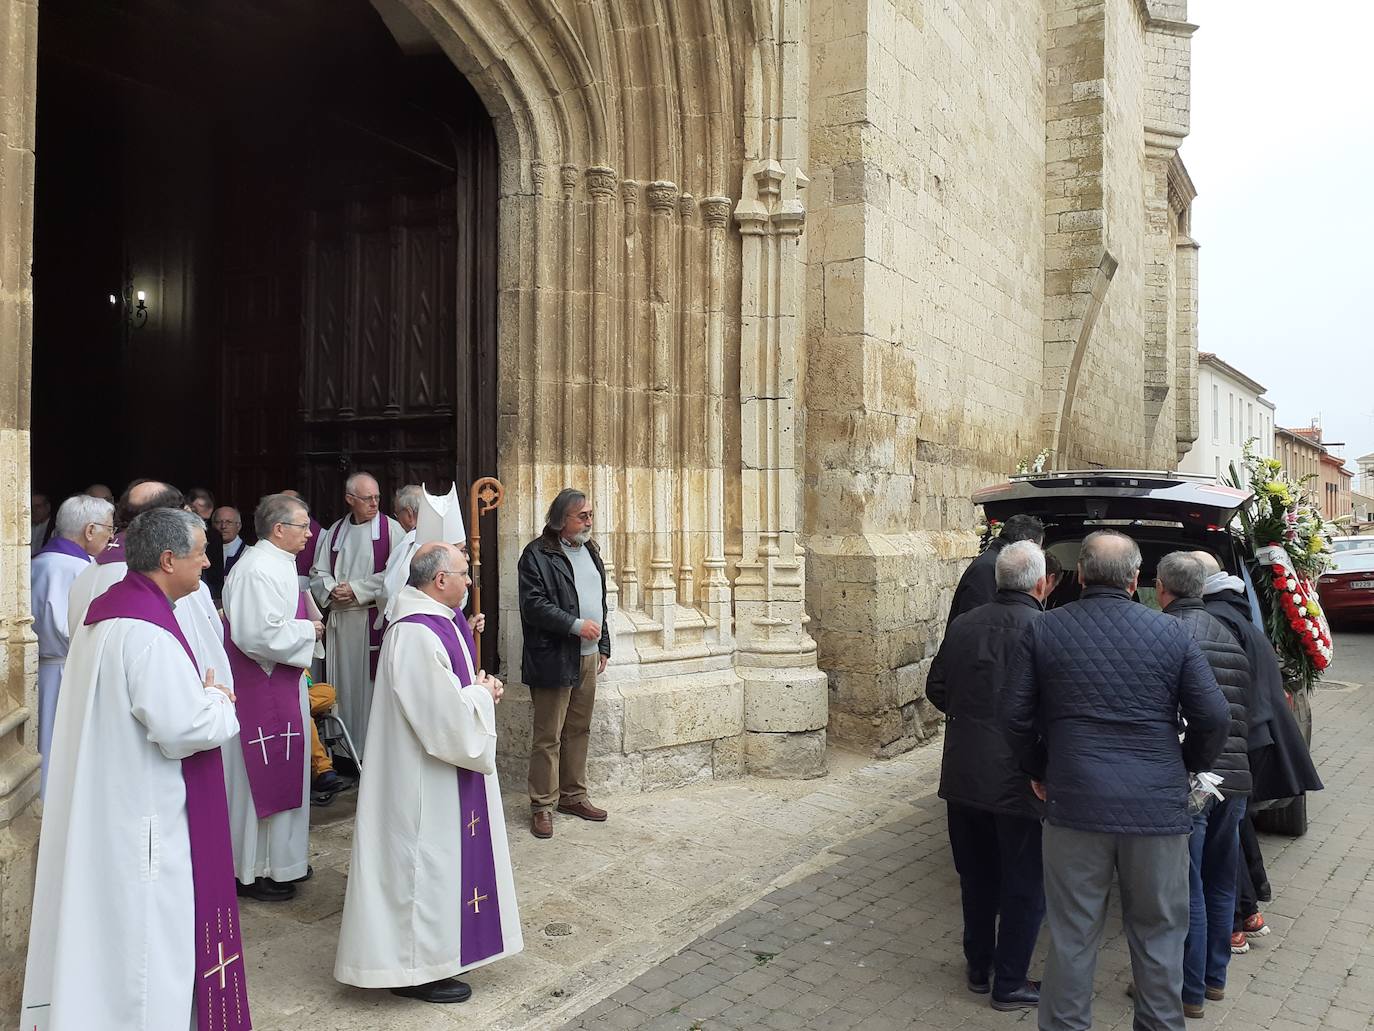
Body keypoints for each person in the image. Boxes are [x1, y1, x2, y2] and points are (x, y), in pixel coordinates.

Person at [21, 508, 250, 1031]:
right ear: (168, 560)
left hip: (111, 802)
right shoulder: (149, 633)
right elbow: (182, 728)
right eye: (199, 554)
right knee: (148, 944)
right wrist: (217, 700)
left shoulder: (107, 614)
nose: (207, 562)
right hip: (146, 814)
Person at [1002, 529, 1229, 1031]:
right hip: (1156, 807)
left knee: (1072, 931)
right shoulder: (1172, 633)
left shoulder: (1043, 630)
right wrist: (1185, 765)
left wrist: (1038, 769)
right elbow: (1214, 716)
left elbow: (1013, 717)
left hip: (1074, 802)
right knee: (1159, 932)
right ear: (1135, 580)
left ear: (1080, 575)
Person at [335, 541, 523, 1003]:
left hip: (437, 772)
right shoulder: (416, 633)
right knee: (422, 867)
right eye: (464, 574)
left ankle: (435, 957)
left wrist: (482, 688)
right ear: (440, 580)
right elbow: (443, 722)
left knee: (438, 866)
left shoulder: (438, 623)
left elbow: (456, 691)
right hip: (422, 777)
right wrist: (481, 697)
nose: (470, 582)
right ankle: (414, 969)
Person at [926, 540, 1049, 1011]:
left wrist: (970, 718)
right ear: (1040, 583)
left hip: (964, 771)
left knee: (976, 876)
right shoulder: (1045, 629)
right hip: (1021, 777)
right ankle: (1010, 980)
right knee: (1024, 882)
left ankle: (979, 966)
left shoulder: (964, 625)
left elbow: (936, 686)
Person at [1195, 552, 1322, 953]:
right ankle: (1248, 911)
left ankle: (1232, 923)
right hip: (1253, 738)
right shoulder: (1240, 615)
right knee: (1235, 828)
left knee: (1221, 836)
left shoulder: (1216, 621)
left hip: (1235, 742)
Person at [1157, 552, 1251, 1017]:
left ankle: (1187, 991)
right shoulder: (1228, 634)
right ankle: (1214, 979)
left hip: (1196, 780)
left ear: (1162, 589)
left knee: (1186, 886)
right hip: (1234, 780)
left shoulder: (1170, 634)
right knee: (1219, 881)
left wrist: (1190, 765)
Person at [222, 494, 328, 901]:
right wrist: (308, 632)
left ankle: (283, 861)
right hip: (260, 690)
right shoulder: (255, 569)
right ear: (279, 529)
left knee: (288, 776)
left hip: (280, 684)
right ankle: (251, 870)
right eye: (303, 525)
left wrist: (305, 624)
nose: (309, 532)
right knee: (256, 786)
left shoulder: (279, 564)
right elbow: (253, 635)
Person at [518, 488, 611, 839]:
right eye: (582, 516)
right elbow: (534, 605)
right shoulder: (536, 554)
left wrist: (602, 643)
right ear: (560, 521)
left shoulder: (590, 549)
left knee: (579, 730)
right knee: (548, 736)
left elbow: (598, 602)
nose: (589, 521)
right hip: (553, 657)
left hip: (588, 658)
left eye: (590, 514)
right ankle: (542, 805)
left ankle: (573, 796)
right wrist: (574, 626)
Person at [309, 472, 402, 758]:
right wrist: (331, 589)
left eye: (377, 497)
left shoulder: (391, 530)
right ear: (350, 499)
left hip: (369, 620)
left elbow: (396, 574)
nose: (375, 503)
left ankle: (368, 752)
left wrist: (357, 590)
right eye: (367, 498)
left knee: (368, 691)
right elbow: (317, 571)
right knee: (343, 689)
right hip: (340, 623)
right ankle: (342, 751)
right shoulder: (335, 531)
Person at [30, 493, 114, 795]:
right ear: (90, 531)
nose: (111, 537)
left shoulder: (37, 561)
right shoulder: (80, 570)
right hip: (70, 671)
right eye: (109, 529)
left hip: (41, 669)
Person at [948, 514, 1045, 628]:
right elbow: (978, 623)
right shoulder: (988, 568)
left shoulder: (992, 563)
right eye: (1038, 550)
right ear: (1029, 544)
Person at [378, 483, 424, 623]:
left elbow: (390, 590)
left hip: (411, 619)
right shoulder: (441, 538)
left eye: (398, 514)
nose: (397, 519)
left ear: (409, 513)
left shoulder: (409, 543)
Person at [186, 486, 227, 600]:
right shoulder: (182, 530)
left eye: (209, 499)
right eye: (202, 499)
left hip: (209, 589)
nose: (207, 503)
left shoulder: (214, 535)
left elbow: (216, 571)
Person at [213, 505, 247, 576]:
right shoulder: (206, 552)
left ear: (238, 526)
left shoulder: (247, 553)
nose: (223, 526)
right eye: (218, 522)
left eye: (228, 522)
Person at [30, 490, 52, 556]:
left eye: (37, 506)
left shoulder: (55, 527)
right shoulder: (24, 526)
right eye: (31, 507)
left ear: (48, 507)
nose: (33, 510)